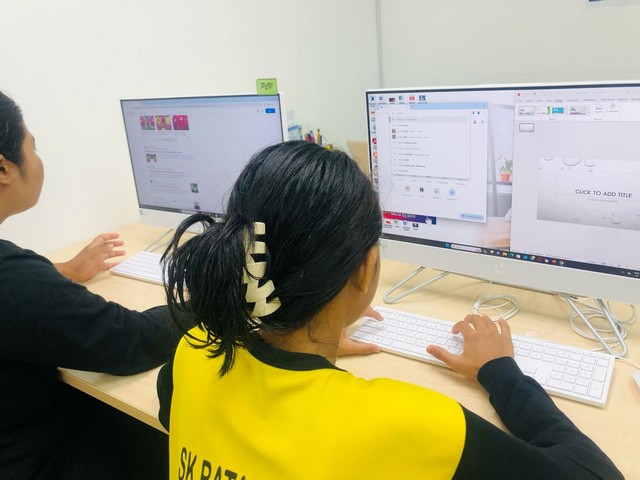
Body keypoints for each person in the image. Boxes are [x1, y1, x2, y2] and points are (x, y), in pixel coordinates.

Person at [157, 141, 623, 480]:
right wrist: (501, 372)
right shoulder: (411, 423)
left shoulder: (191, 353)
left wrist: (307, 331)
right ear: (365, 269)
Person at [0, 91, 190, 479]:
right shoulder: (11, 279)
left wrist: (62, 271)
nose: (37, 160)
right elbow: (134, 341)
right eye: (33, 147)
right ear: (3, 168)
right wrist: (216, 296)